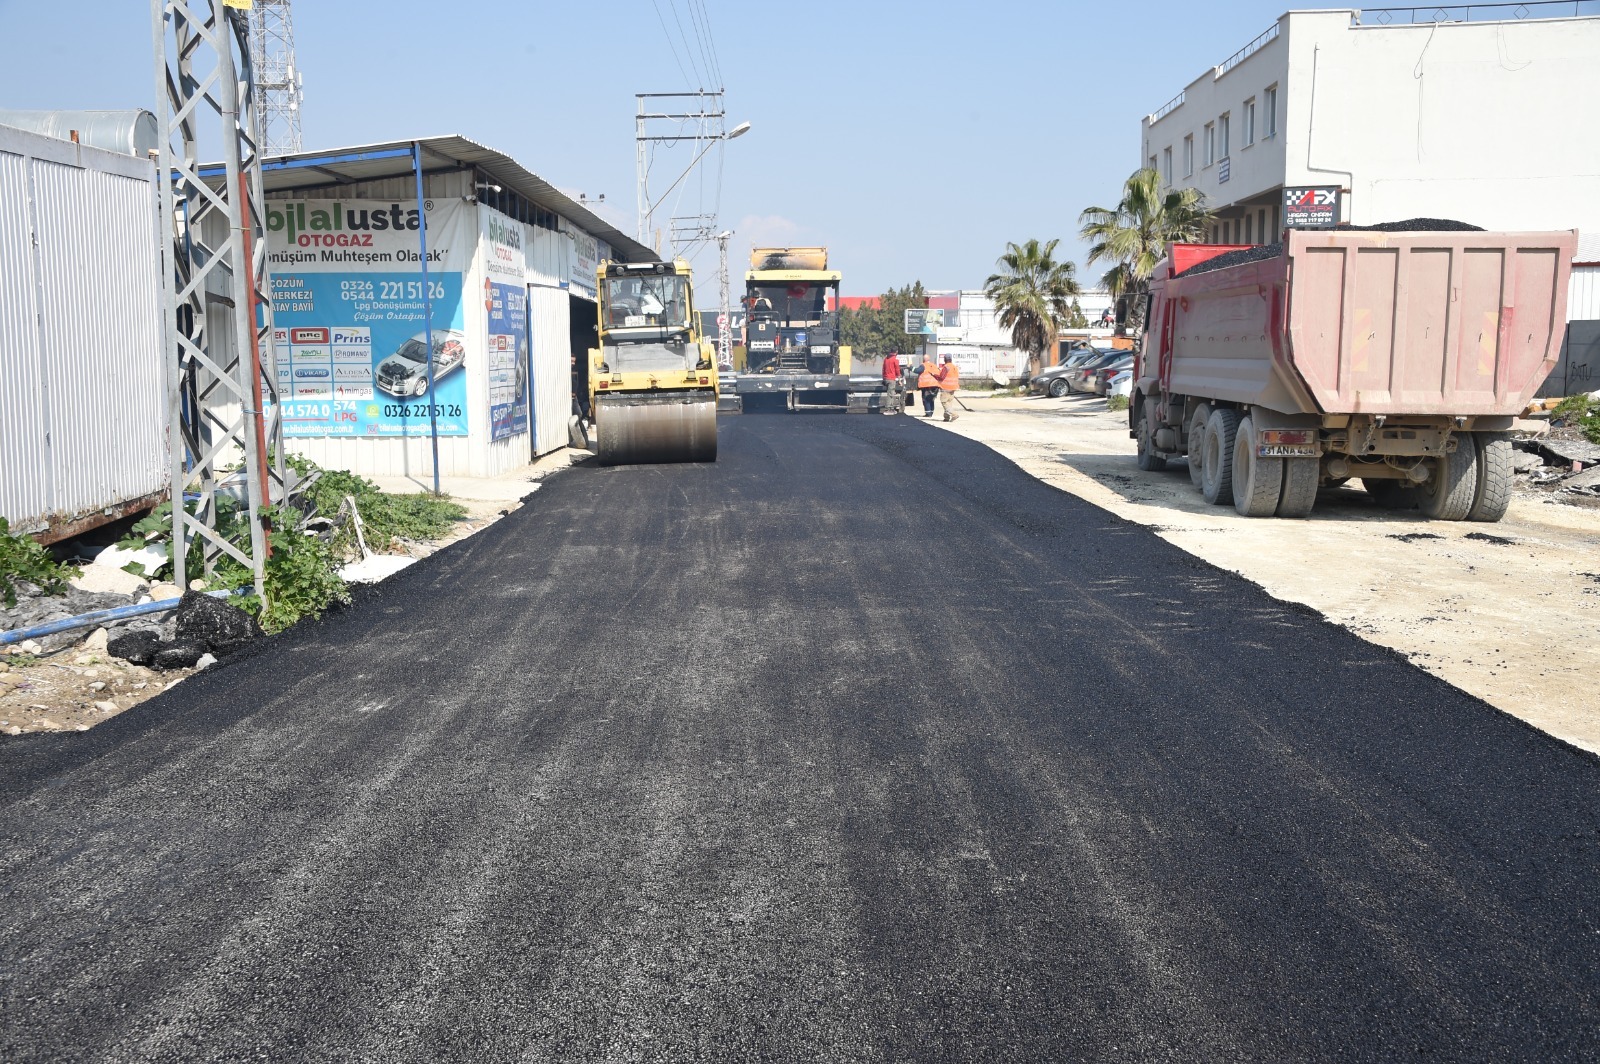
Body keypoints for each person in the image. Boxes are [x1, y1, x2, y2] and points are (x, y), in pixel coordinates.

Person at [935, 355, 961, 421]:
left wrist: (934, 375)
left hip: (946, 387)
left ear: (945, 359)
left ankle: (954, 414)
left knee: (944, 402)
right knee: (948, 403)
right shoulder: (954, 367)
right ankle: (946, 417)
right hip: (953, 387)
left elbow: (941, 377)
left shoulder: (946, 367)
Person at [881, 350, 902, 414]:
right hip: (891, 379)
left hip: (886, 378)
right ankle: (889, 409)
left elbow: (883, 369)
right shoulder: (895, 360)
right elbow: (897, 370)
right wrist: (899, 380)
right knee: (891, 394)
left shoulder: (886, 359)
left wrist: (883, 378)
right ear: (896, 352)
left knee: (890, 393)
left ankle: (890, 408)